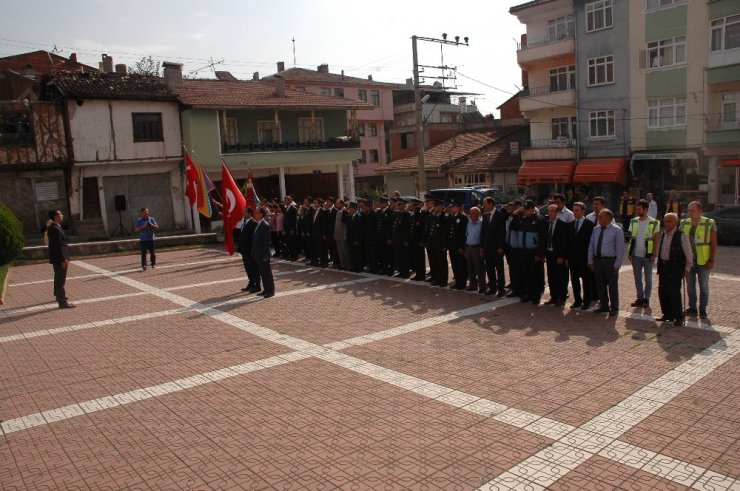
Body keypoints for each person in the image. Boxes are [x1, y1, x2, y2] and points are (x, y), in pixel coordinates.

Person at [680, 201, 717, 319]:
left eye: (692, 210)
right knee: (690, 286)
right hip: (689, 261)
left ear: (700, 211)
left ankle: (703, 309)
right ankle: (692, 308)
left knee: (704, 287)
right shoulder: (684, 223)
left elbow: (713, 243)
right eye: (688, 210)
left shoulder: (709, 223)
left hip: (703, 261)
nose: (689, 213)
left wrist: (711, 260)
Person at [656, 213, 693, 326]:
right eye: (665, 221)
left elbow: (689, 254)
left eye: (669, 221)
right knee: (663, 291)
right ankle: (667, 314)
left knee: (674, 293)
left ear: (676, 222)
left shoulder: (682, 235)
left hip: (675, 268)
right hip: (664, 266)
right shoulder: (663, 234)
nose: (666, 223)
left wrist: (687, 268)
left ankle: (678, 317)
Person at [588, 209, 625, 316]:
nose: (598, 218)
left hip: (610, 261)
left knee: (612, 285)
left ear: (608, 218)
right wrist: (590, 261)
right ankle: (604, 305)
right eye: (598, 216)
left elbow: (620, 249)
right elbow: (591, 245)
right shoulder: (596, 229)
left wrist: (617, 264)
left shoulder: (617, 230)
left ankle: (614, 307)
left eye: (601, 217)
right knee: (600, 284)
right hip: (598, 260)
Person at [628, 199, 660, 308]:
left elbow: (656, 239)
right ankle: (640, 298)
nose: (638, 211)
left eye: (640, 209)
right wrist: (630, 252)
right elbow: (632, 238)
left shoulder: (654, 222)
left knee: (648, 279)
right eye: (637, 209)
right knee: (637, 278)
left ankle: (646, 298)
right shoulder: (634, 221)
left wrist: (654, 254)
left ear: (646, 209)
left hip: (648, 255)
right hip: (636, 255)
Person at [515, 200, 547, 305]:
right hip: (523, 251)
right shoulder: (522, 219)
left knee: (535, 275)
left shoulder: (539, 220)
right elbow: (513, 227)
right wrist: (514, 214)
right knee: (526, 275)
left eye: (528, 209)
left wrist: (539, 254)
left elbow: (542, 239)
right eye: (525, 209)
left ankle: (536, 296)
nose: (526, 211)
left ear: (533, 209)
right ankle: (528, 294)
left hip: (533, 252)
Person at [567, 202, 595, 309]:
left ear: (583, 211)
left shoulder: (590, 225)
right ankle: (577, 300)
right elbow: (568, 243)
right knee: (574, 281)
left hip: (584, 259)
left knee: (586, 281)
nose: (575, 212)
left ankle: (587, 301)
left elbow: (591, 244)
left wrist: (590, 259)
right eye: (573, 210)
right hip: (573, 259)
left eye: (577, 210)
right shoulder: (570, 225)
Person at [46, 209, 74, 309]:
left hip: (58, 258)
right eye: (60, 214)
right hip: (60, 259)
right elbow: (58, 246)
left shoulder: (55, 227)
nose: (62, 215)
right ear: (55, 216)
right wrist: (63, 259)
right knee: (60, 280)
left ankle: (59, 296)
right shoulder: (54, 229)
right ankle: (62, 302)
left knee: (58, 279)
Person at [544, 204, 569, 306]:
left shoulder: (563, 225)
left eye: (552, 211)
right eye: (548, 211)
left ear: (557, 212)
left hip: (558, 255)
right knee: (551, 276)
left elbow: (564, 243)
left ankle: (562, 297)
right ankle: (553, 297)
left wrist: (561, 256)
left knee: (561, 277)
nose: (550, 213)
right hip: (549, 254)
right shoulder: (546, 224)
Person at [481, 197, 506, 296]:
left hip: (496, 248)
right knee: (489, 268)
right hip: (487, 247)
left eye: (485, 203)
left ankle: (501, 289)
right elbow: (483, 233)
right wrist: (482, 247)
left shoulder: (500, 215)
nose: (483, 205)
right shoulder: (485, 215)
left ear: (491, 204)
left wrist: (501, 246)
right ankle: (492, 287)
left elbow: (502, 232)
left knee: (499, 269)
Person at [252, 206, 275, 298]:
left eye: (257, 213)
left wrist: (265, 255)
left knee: (267, 273)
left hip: (263, 254)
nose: (255, 214)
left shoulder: (265, 225)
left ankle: (271, 291)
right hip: (258, 253)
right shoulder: (258, 224)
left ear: (261, 214)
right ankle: (266, 289)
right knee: (262, 273)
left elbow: (266, 242)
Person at [237, 207, 260, 293]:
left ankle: (257, 285)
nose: (243, 213)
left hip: (250, 250)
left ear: (250, 213)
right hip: (244, 250)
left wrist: (253, 250)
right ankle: (251, 283)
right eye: (243, 212)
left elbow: (254, 238)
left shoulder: (253, 223)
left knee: (254, 268)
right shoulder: (243, 223)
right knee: (248, 268)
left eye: (245, 212)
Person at [446, 201, 469, 290]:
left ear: (458, 207)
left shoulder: (463, 218)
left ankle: (462, 282)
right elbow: (449, 232)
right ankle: (458, 281)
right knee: (454, 264)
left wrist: (461, 246)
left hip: (459, 246)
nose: (451, 208)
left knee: (461, 265)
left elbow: (463, 234)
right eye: (451, 207)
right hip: (452, 246)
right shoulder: (451, 217)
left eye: (453, 207)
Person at [464, 207, 486, 293]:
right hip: (469, 247)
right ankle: (472, 285)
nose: (471, 215)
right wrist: (466, 248)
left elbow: (483, 237)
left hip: (477, 248)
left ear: (478, 214)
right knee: (470, 268)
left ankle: (482, 287)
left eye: (473, 213)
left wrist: (482, 249)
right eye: (470, 213)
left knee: (479, 269)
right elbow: (467, 235)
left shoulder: (481, 224)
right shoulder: (469, 223)